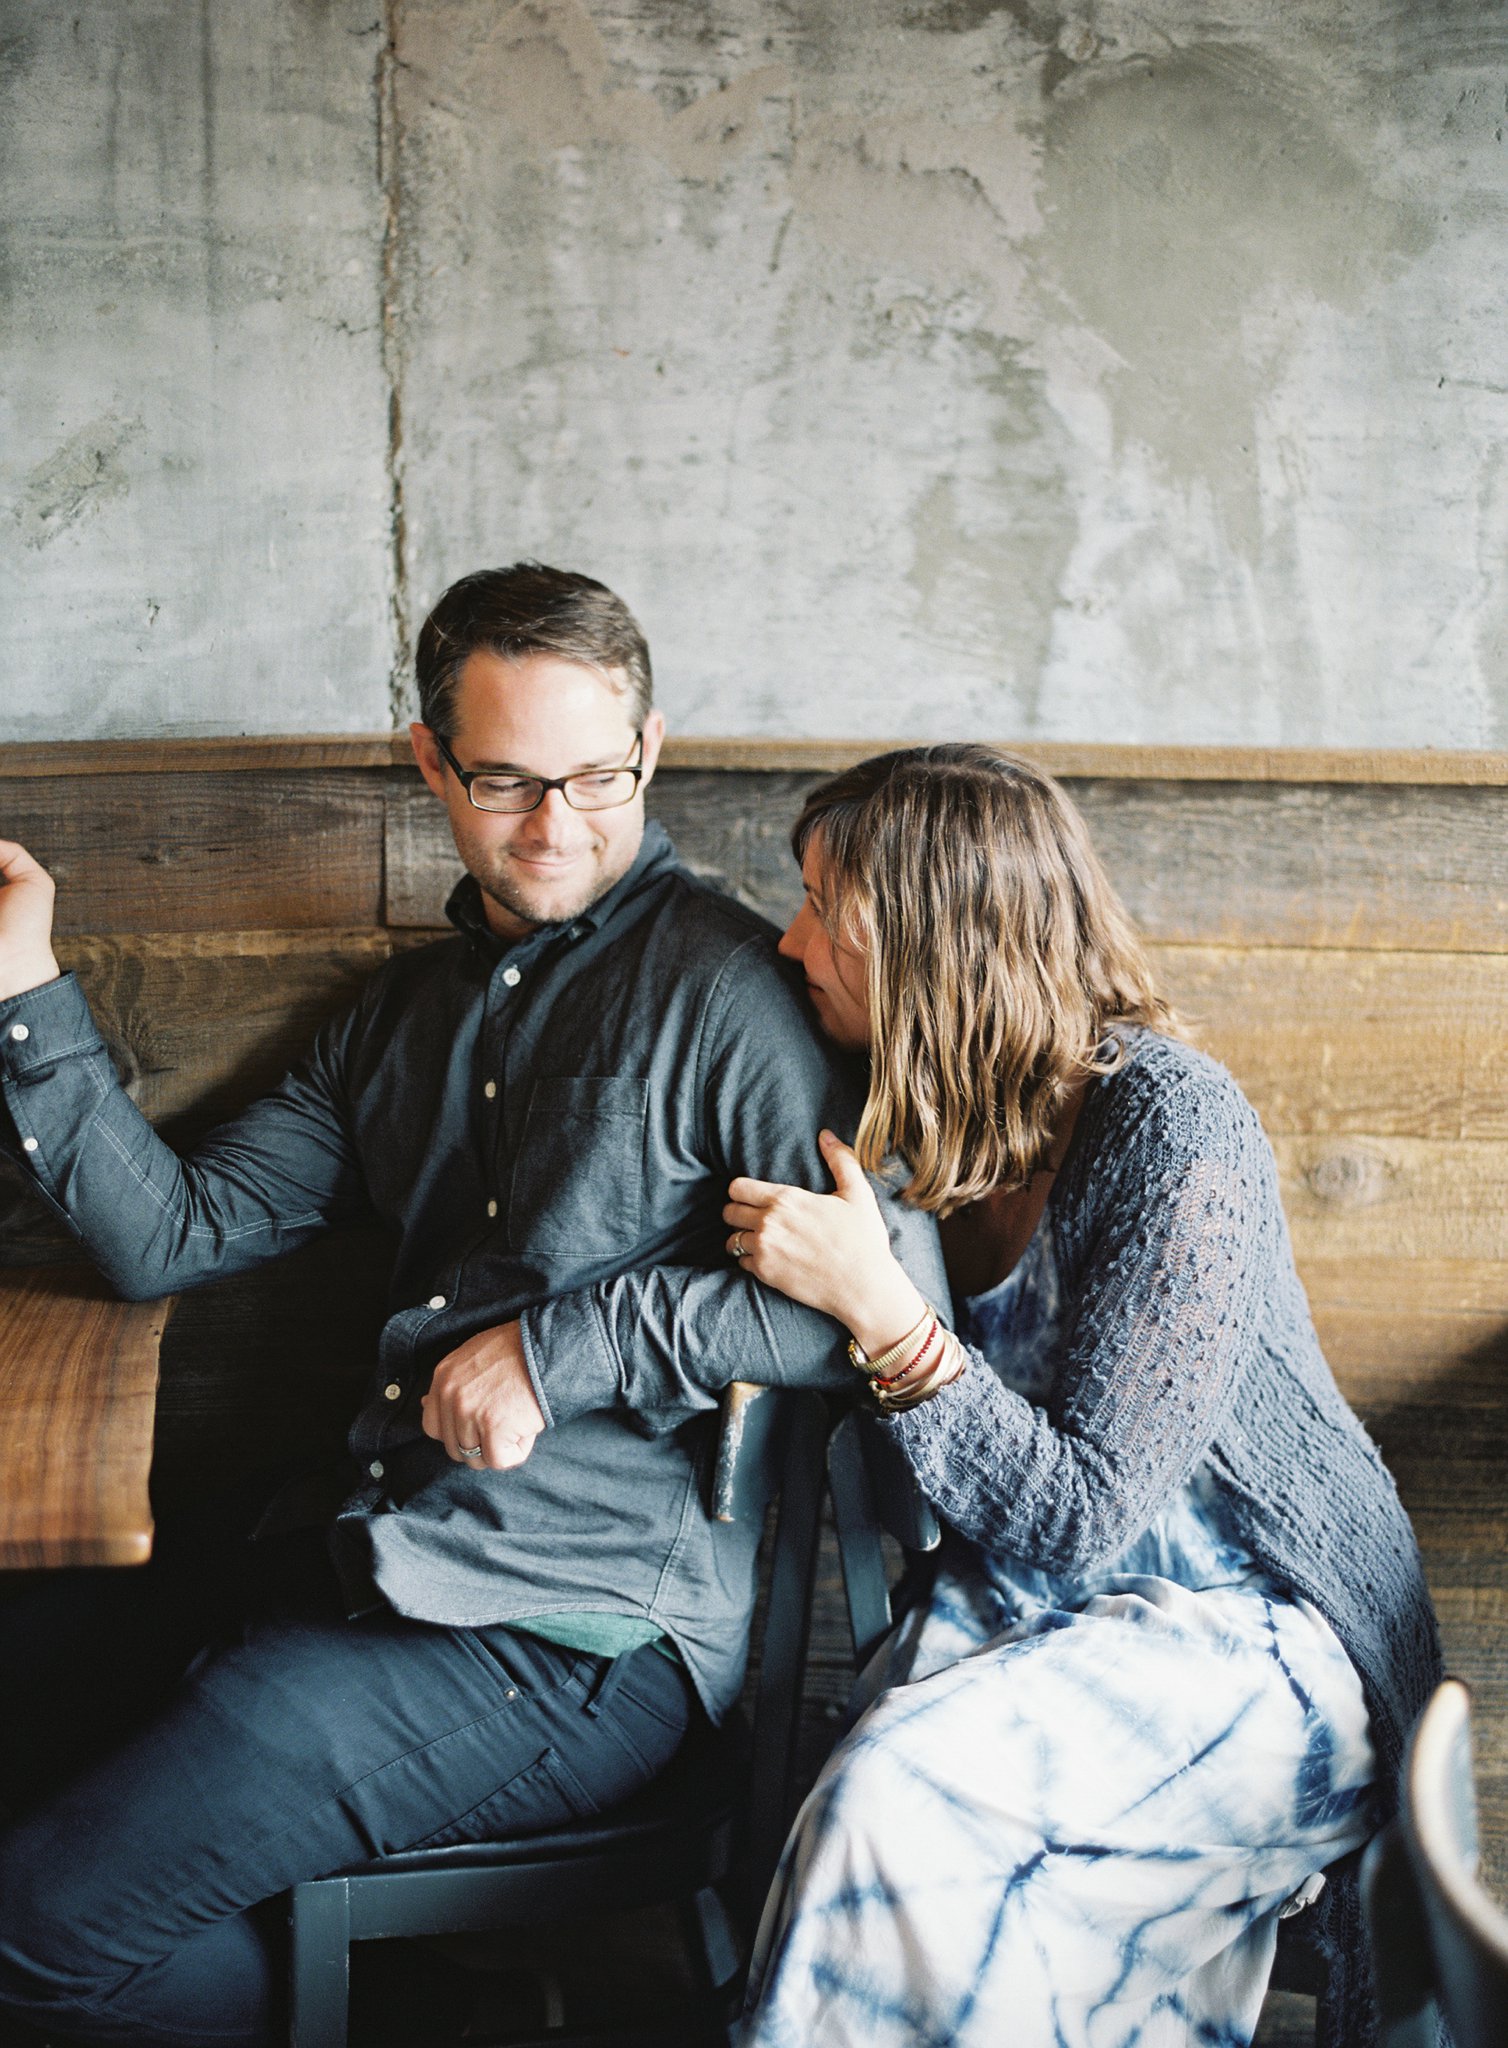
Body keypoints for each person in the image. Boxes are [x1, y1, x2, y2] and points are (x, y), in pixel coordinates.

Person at [0, 564, 945, 2048]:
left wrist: (559, 1349)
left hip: (577, 1641)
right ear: (435, 761)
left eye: (595, 776)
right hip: (366, 1547)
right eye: (505, 778)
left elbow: (872, 1315)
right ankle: (399, 1991)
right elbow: (167, 1236)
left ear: (652, 749)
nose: (555, 826)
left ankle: (373, 2015)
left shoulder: (738, 995)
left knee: (34, 1933)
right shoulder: (401, 1018)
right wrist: (24, 984)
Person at [724, 744, 1441, 2048]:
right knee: (853, 1801)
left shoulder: (1172, 1122)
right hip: (1056, 1607)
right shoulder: (943, 1130)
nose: (792, 939)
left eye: (830, 909)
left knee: (898, 1798)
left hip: (1266, 1632)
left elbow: (1079, 1510)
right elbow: (942, 1491)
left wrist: (878, 1305)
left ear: (932, 944)